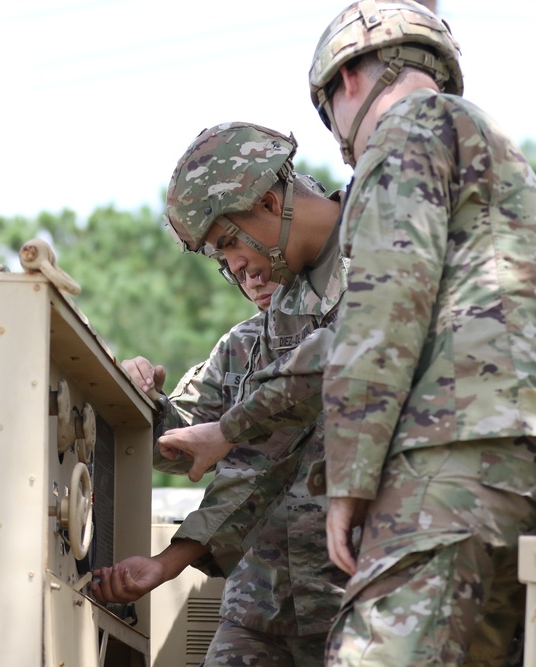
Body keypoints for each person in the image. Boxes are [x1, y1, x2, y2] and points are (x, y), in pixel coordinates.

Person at [306, 1, 536, 665]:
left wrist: (347, 479)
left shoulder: (405, 128)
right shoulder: (497, 151)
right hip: (530, 469)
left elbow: (382, 308)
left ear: (346, 80)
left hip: (451, 460)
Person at [93, 122, 350, 666]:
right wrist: (133, 398)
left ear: (268, 203)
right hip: (265, 602)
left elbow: (268, 443)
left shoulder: (383, 260)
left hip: (356, 588)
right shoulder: (250, 341)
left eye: (231, 244)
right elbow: (193, 444)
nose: (238, 270)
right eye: (222, 258)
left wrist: (173, 559)